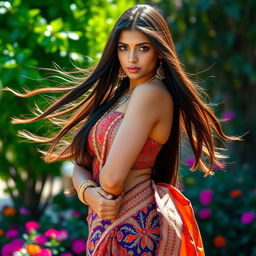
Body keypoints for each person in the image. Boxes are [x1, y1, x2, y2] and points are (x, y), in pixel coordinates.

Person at [4, 4, 240, 256]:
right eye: (123, 48)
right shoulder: (121, 96)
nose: (132, 59)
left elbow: (111, 181)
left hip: (132, 228)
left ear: (160, 53)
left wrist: (93, 188)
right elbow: (80, 163)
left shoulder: (151, 94)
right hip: (108, 223)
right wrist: (90, 194)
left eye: (143, 48)